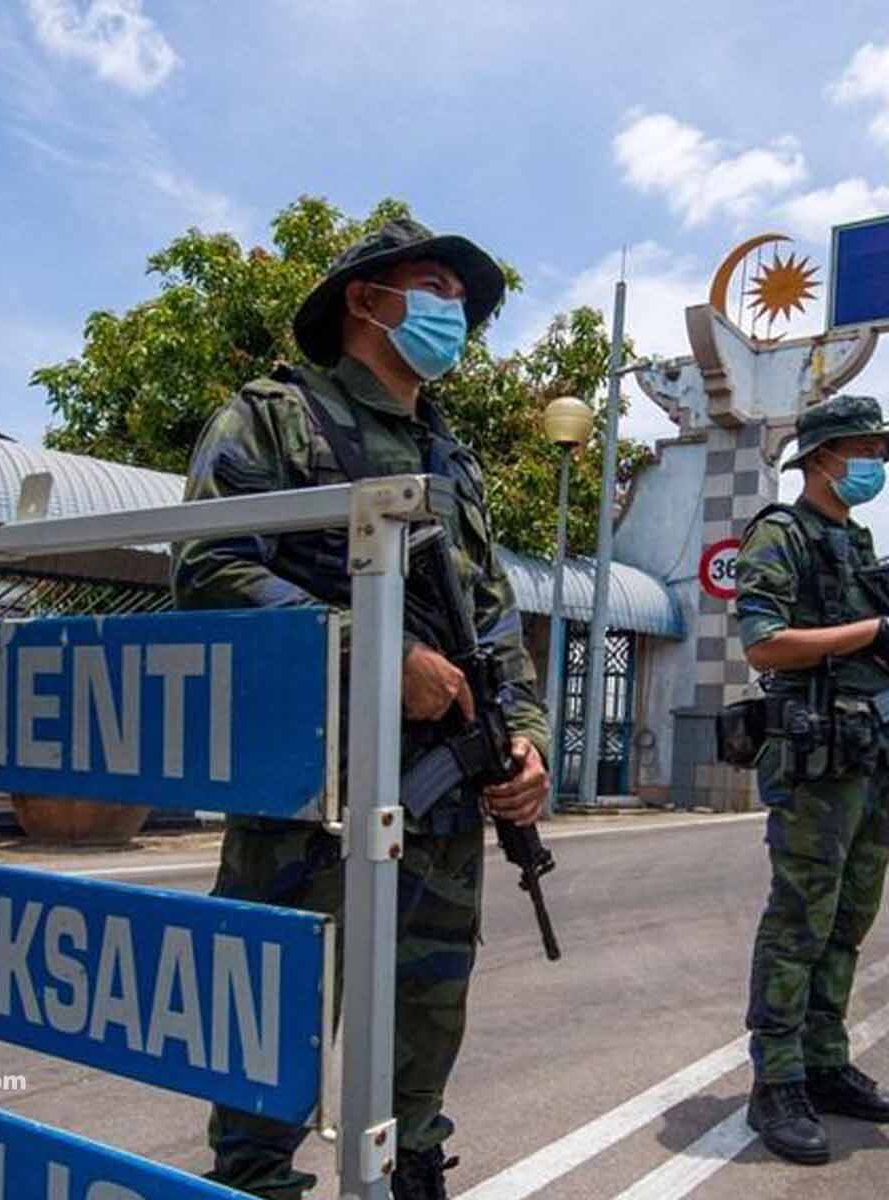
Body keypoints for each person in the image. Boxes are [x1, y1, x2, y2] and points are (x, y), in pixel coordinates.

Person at [172, 218, 551, 1200]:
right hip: (312, 796)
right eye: (433, 285)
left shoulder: (452, 459)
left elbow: (493, 619)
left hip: (440, 802)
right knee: (271, 1023)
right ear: (365, 298)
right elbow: (207, 566)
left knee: (422, 1029)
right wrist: (376, 650)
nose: (452, 311)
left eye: (463, 299)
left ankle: (409, 1171)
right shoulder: (273, 419)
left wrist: (525, 744)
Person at [732, 393, 889, 1166]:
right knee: (801, 920)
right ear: (820, 457)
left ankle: (825, 1061)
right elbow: (764, 645)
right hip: (816, 761)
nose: (874, 464)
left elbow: (884, 654)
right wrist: (869, 633)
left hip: (870, 757)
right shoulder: (780, 536)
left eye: (880, 453)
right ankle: (778, 1080)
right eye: (862, 449)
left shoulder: (858, 546)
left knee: (849, 919)